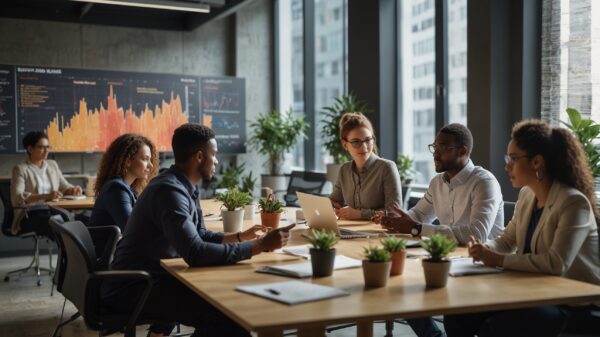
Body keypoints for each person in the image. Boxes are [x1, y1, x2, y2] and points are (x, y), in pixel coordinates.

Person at [103, 123, 294, 337]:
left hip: (154, 278)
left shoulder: (184, 187)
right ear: (200, 157)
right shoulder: (169, 191)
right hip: (135, 287)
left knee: (228, 305)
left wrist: (242, 237)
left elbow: (202, 235)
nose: (217, 161)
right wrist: (259, 246)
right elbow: (195, 252)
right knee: (230, 314)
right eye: (214, 154)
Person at [444, 119, 600, 337]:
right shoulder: (527, 195)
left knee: (500, 326)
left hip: (575, 303)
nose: (507, 165)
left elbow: (556, 264)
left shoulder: (573, 202)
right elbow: (507, 240)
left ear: (537, 162)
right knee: (458, 312)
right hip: (535, 292)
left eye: (513, 158)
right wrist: (484, 248)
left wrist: (496, 259)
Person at [376, 123, 504, 337]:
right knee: (398, 286)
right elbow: (418, 215)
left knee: (408, 285)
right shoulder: (438, 182)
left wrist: (416, 229)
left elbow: (476, 234)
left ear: (462, 151)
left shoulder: (484, 182)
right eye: (434, 147)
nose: (435, 153)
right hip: (451, 260)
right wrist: (399, 219)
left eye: (442, 148)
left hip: (483, 266)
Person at [329, 112, 402, 220]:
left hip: (378, 233)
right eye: (356, 142)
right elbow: (334, 200)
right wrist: (332, 206)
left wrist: (360, 214)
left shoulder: (386, 168)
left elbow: (395, 213)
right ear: (345, 144)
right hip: (350, 230)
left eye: (368, 140)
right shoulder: (344, 170)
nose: (364, 146)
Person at [10, 131, 82, 237]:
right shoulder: (20, 169)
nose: (46, 150)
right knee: (62, 223)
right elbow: (17, 197)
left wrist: (72, 190)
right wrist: (46, 196)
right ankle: (66, 252)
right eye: (42, 147)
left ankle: (70, 252)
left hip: (53, 211)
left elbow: (63, 186)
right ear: (30, 149)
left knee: (82, 220)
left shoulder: (52, 165)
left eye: (48, 147)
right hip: (30, 215)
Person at [90, 133, 159, 232]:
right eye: (145, 159)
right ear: (128, 161)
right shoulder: (116, 189)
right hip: (109, 247)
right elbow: (133, 230)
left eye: (150, 160)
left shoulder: (127, 188)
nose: (151, 165)